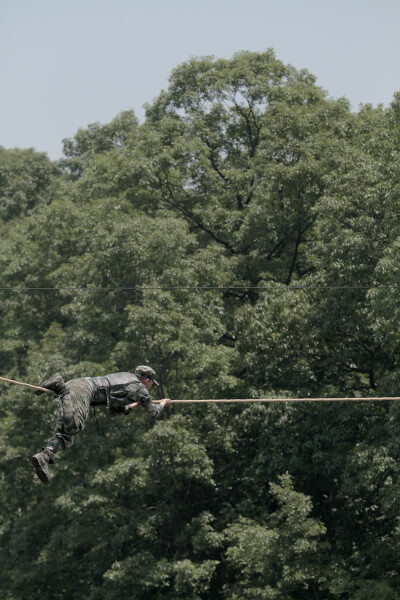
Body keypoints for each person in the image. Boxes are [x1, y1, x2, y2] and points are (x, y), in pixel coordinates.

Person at [31, 365, 171, 484]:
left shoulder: (126, 377)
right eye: (152, 383)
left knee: (66, 436)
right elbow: (154, 411)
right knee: (74, 426)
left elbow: (113, 411)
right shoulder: (140, 389)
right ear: (147, 380)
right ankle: (60, 386)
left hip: (78, 385)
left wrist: (133, 405)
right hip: (83, 390)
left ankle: (45, 456)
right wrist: (163, 404)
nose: (151, 386)